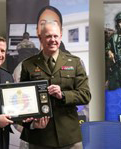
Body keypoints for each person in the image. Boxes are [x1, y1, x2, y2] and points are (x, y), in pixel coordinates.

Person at [20, 20, 91, 149]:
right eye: (48, 36)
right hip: (39, 137)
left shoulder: (75, 63)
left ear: (61, 36)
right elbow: (22, 102)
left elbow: (85, 95)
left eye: (55, 36)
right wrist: (32, 123)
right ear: (40, 38)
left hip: (69, 136)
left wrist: (62, 95)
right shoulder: (28, 64)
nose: (52, 40)